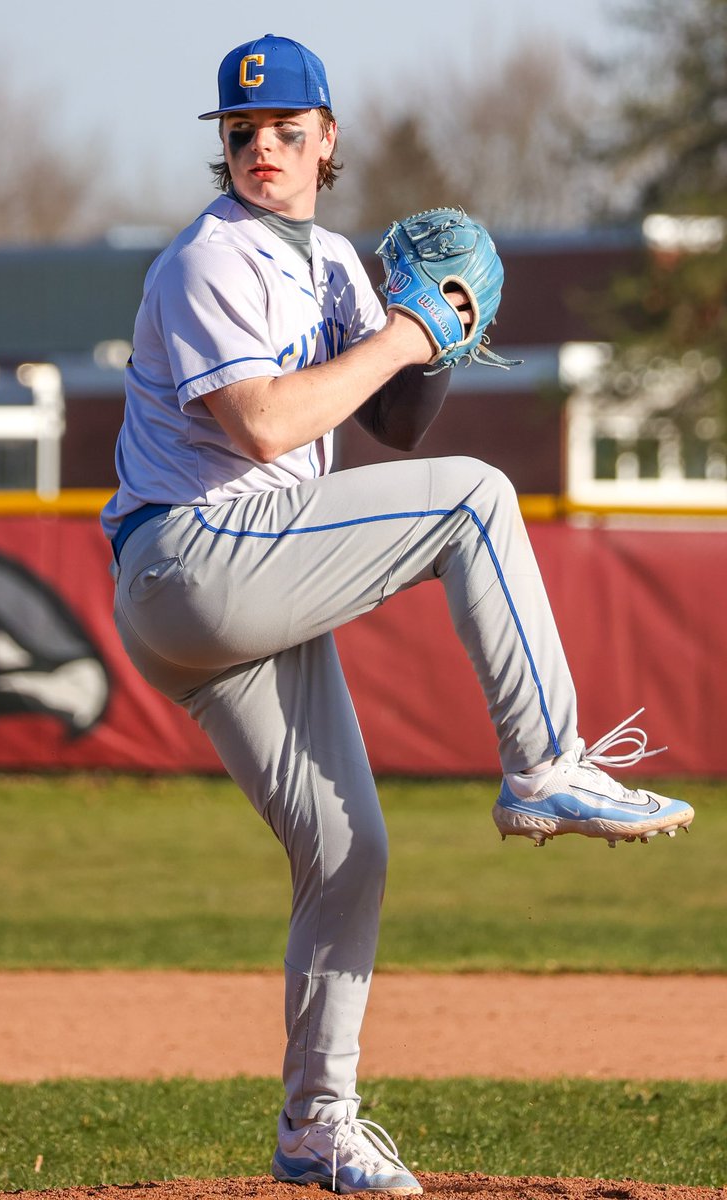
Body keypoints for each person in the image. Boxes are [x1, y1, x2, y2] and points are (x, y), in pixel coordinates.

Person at [101, 34, 694, 1196]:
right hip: (191, 556)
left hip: (244, 576)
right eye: (240, 132)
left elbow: (399, 426)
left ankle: (315, 1126)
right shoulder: (203, 261)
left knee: (348, 853)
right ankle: (545, 762)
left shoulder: (329, 262)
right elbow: (267, 428)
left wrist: (442, 326)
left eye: (284, 129)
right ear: (220, 149)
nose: (261, 145)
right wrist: (407, 332)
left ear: (327, 141)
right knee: (477, 503)